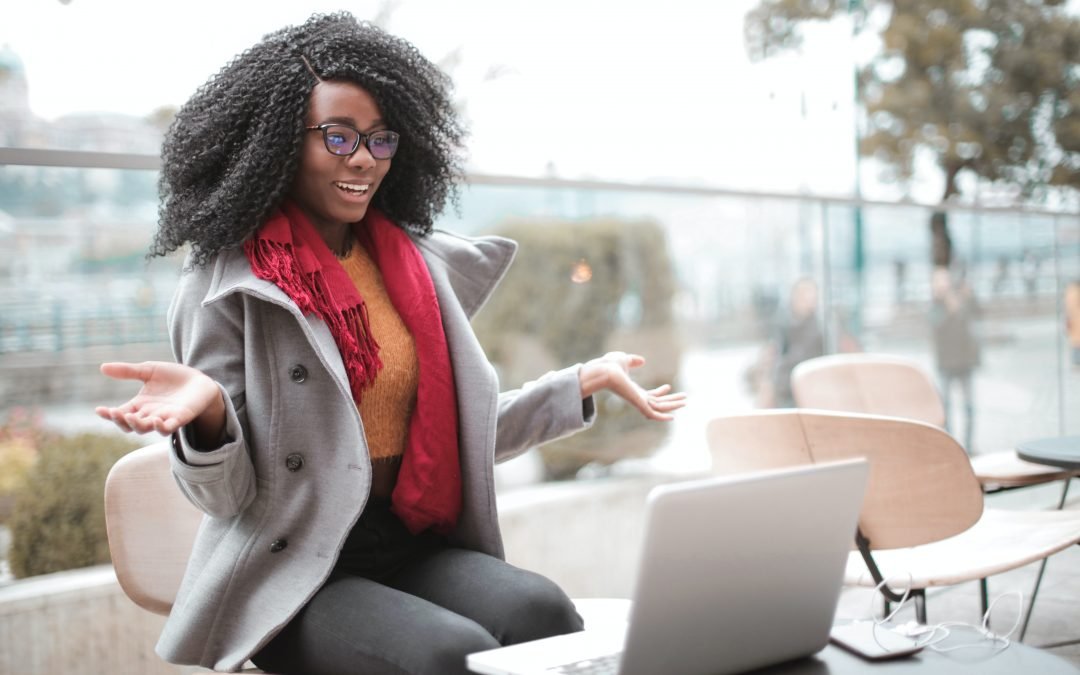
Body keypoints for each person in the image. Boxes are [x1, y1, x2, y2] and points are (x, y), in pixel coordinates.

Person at [94, 14, 685, 675]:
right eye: (338, 136)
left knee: (543, 614)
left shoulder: (410, 265)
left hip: (407, 536)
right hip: (299, 568)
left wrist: (579, 382)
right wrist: (208, 420)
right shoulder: (227, 283)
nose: (363, 160)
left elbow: (452, 437)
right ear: (279, 142)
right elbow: (227, 499)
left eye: (380, 141)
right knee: (446, 656)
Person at [929, 265, 980, 452]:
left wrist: (967, 295)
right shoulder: (935, 305)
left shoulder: (960, 298)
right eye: (939, 280)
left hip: (964, 362)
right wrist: (948, 306)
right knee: (946, 408)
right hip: (946, 364)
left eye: (945, 280)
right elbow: (937, 327)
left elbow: (976, 313)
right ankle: (950, 447)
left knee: (969, 407)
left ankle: (969, 445)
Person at [770, 277, 825, 408]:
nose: (807, 298)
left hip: (813, 388)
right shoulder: (784, 323)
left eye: (810, 294)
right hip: (786, 388)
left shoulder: (822, 327)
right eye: (802, 294)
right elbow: (779, 355)